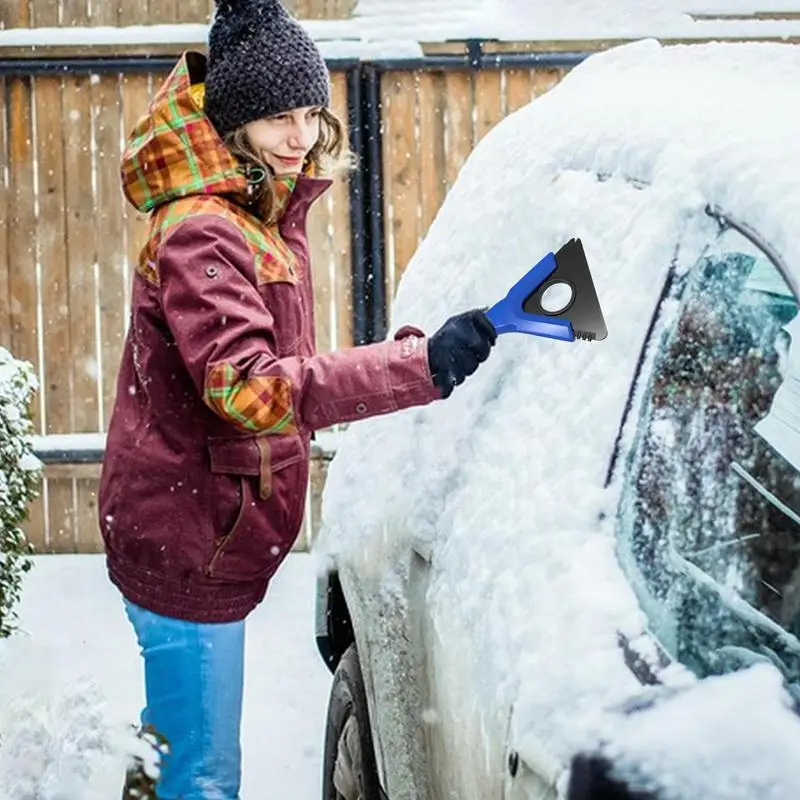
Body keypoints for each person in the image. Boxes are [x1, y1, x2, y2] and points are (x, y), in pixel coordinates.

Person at [98, 0, 497, 797]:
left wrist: (410, 356)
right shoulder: (204, 232)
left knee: (177, 753)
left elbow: (280, 360)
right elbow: (249, 387)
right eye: (280, 116)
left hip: (198, 527)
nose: (303, 135)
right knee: (201, 776)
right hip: (184, 538)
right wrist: (417, 368)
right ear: (236, 121)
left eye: (312, 112)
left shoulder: (253, 212)